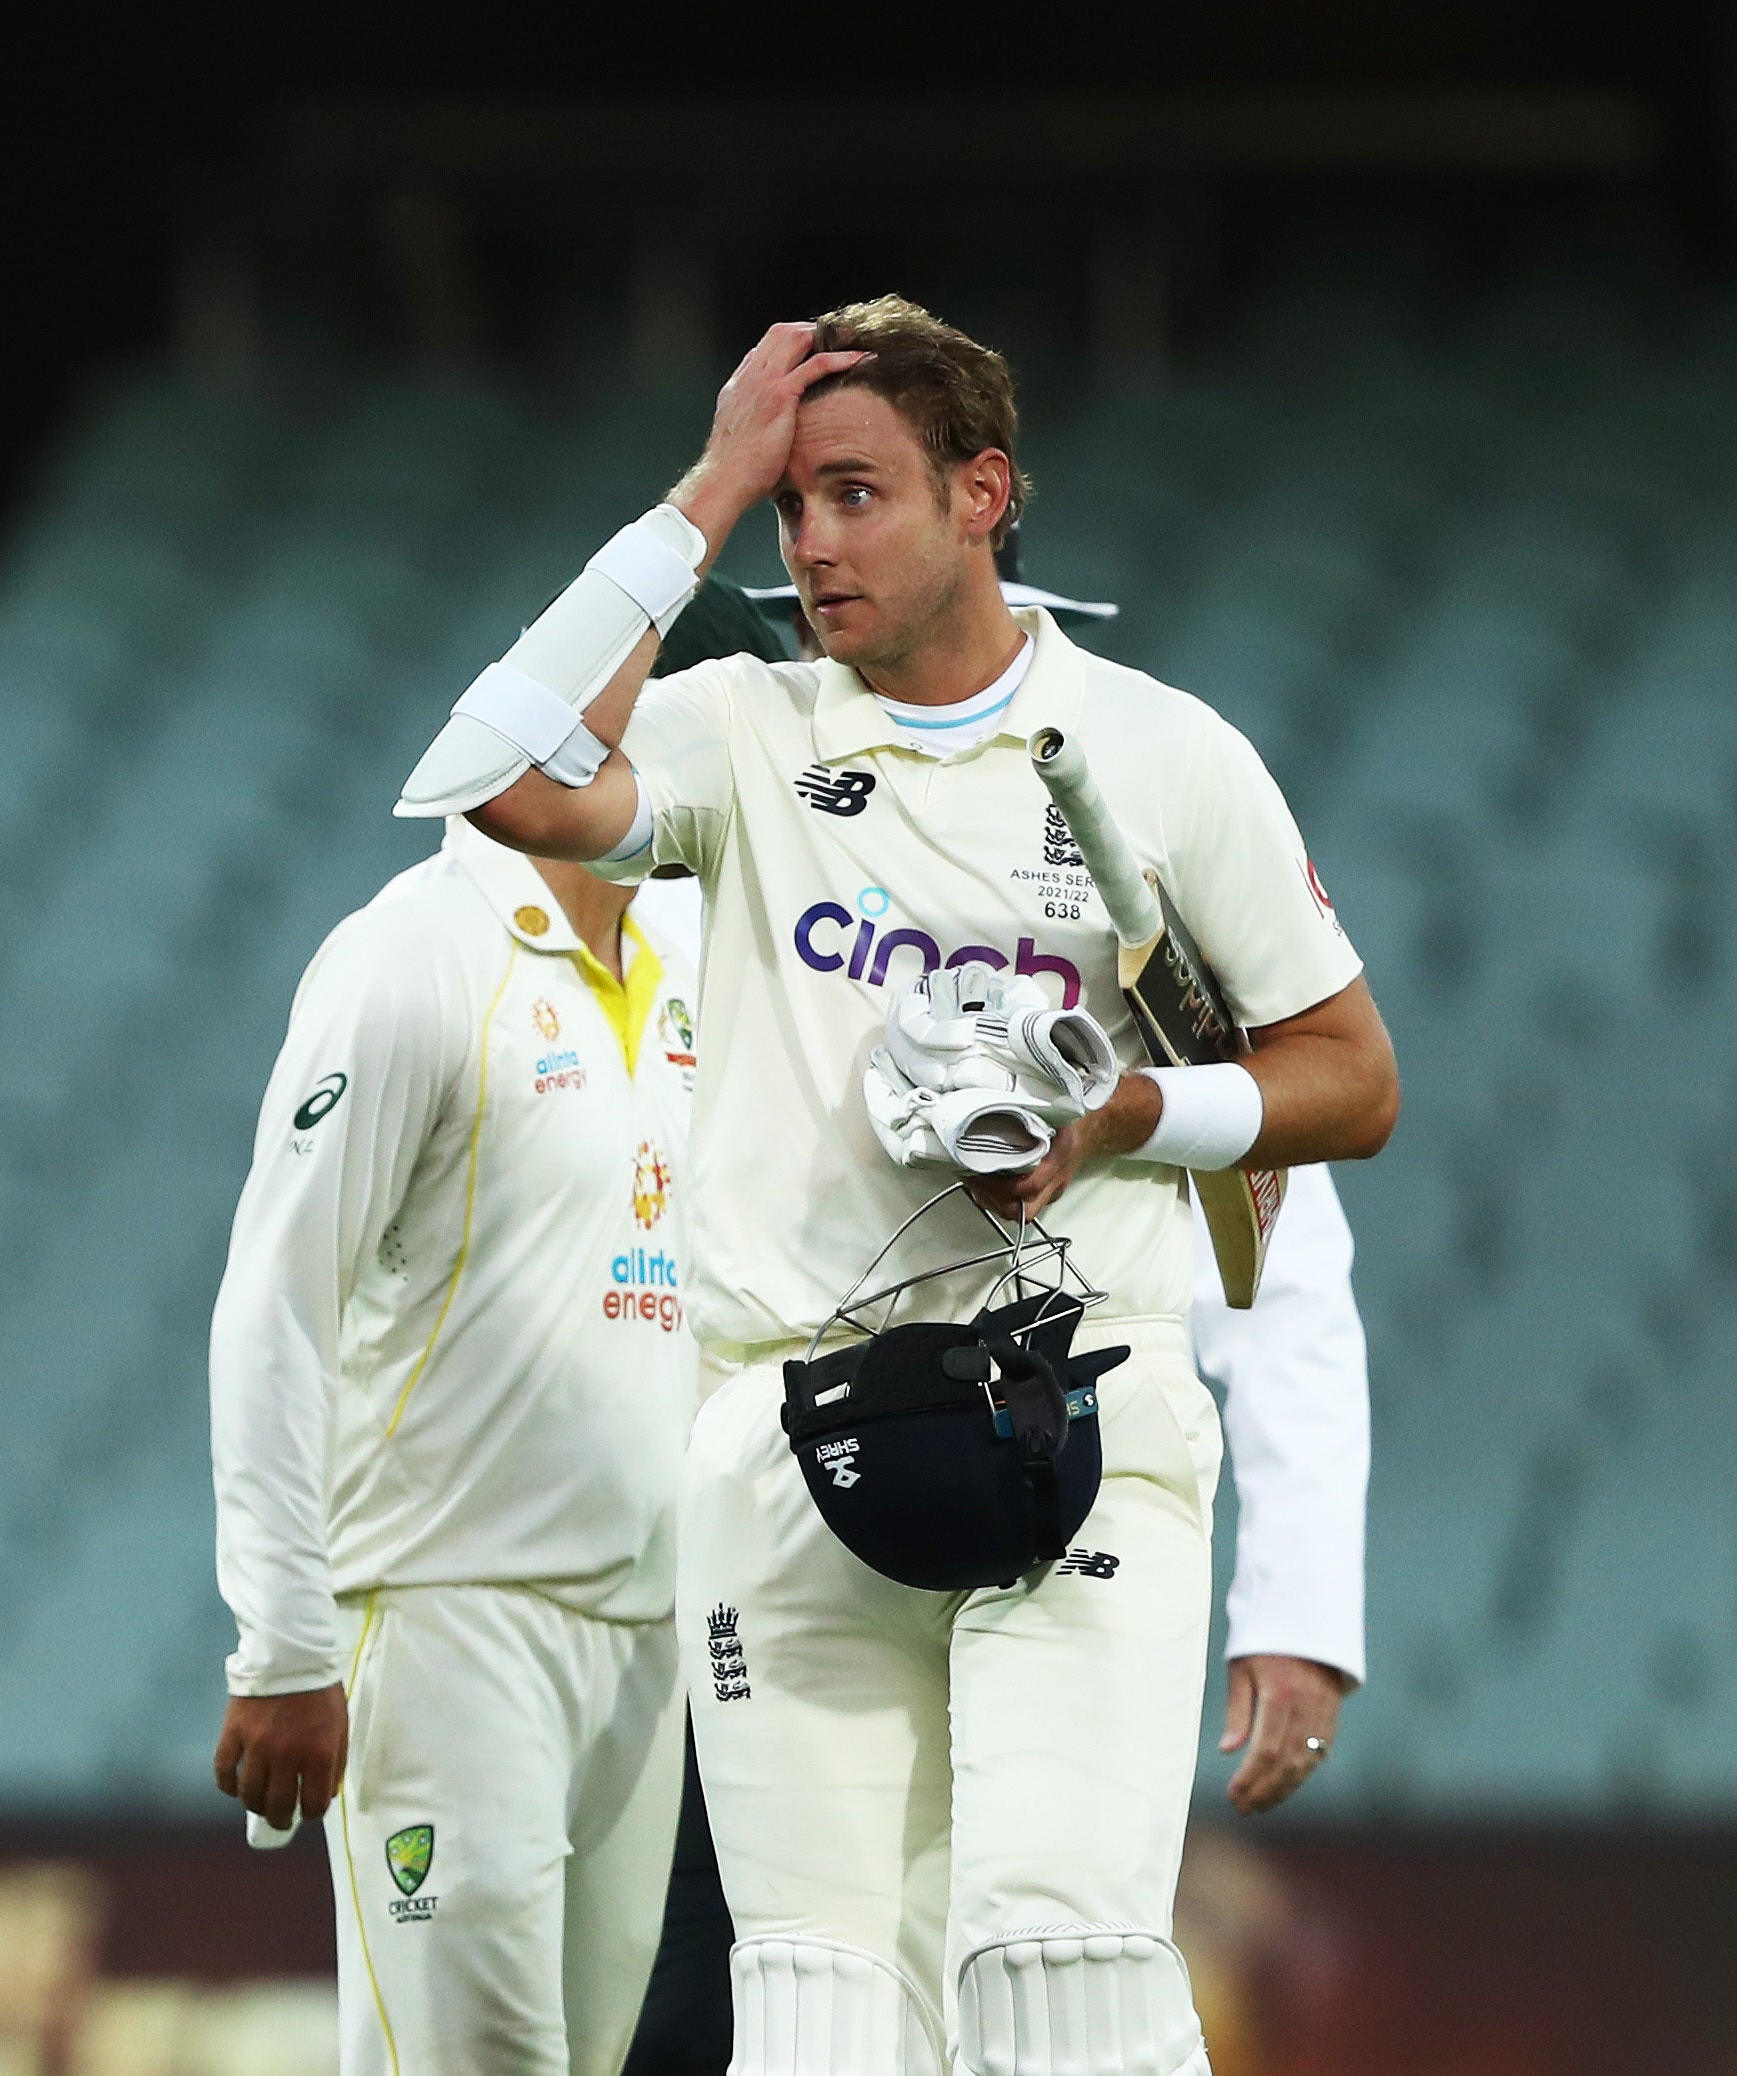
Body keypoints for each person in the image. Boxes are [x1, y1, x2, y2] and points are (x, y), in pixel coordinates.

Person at [399, 299, 1398, 2074]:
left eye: (851, 494)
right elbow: (486, 780)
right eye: (790, 506)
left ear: (982, 493)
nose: (811, 544)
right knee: (812, 2008)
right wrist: (698, 489)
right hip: (783, 1425)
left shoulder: (1162, 757)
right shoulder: (743, 728)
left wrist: (1120, 1115)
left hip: (1074, 1407)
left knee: (1057, 1965)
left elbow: (1353, 1082)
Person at [209, 588, 783, 2075]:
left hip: (645, 1632)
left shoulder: (688, 966)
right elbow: (275, 1306)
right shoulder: (409, 957)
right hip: (452, 1617)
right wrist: (280, 1642)